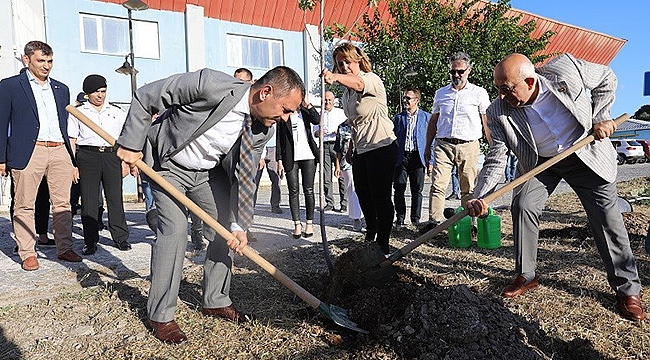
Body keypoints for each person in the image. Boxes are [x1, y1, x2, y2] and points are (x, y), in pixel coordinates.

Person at [116, 66, 305, 344]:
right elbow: (147, 96)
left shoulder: (263, 128)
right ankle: (161, 315)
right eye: (286, 109)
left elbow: (246, 175)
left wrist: (240, 225)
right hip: (168, 164)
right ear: (265, 92)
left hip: (206, 173)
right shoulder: (210, 84)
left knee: (225, 230)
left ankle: (215, 299)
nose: (286, 118)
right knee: (175, 231)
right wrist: (131, 144)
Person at [466, 53, 646, 322]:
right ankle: (526, 274)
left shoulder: (565, 70)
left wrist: (601, 116)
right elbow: (496, 157)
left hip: (585, 153)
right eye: (498, 90)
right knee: (523, 204)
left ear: (529, 81)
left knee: (606, 218)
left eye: (506, 89)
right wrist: (482, 196)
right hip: (540, 162)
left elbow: (607, 78)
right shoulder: (497, 111)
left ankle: (627, 290)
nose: (501, 96)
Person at [0, 40, 82, 271]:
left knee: (63, 203)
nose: (46, 66)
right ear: (27, 60)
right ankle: (27, 252)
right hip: (29, 150)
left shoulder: (61, 89)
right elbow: (1, 122)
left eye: (50, 61)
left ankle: (64, 247)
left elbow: (65, 124)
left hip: (59, 150)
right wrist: (1, 158)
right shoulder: (10, 86)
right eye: (41, 61)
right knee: (25, 204)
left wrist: (71, 158)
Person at [322, 43, 398, 255]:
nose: (344, 66)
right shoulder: (346, 95)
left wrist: (335, 77)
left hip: (382, 145)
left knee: (380, 196)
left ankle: (383, 242)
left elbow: (357, 83)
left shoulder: (371, 79)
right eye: (339, 64)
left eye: (347, 61)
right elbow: (353, 122)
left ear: (358, 60)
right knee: (363, 194)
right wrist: (351, 147)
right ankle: (370, 234)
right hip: (361, 149)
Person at [424, 51, 491, 224]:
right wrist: (427, 146)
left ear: (468, 71)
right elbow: (433, 121)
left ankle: (470, 224)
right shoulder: (441, 93)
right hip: (443, 145)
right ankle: (434, 222)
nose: (456, 75)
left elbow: (487, 121)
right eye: (453, 71)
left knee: (468, 188)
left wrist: (493, 146)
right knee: (438, 185)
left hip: (469, 145)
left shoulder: (479, 93)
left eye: (460, 71)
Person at [68, 74, 131, 255]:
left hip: (112, 156)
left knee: (115, 198)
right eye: (96, 92)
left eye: (103, 91)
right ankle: (90, 241)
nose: (100, 95)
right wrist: (73, 165)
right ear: (87, 93)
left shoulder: (116, 111)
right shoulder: (77, 111)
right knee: (89, 201)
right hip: (87, 156)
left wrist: (125, 162)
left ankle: (120, 237)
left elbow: (125, 138)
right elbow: (72, 139)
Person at [236, 68, 284, 215]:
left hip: (272, 148)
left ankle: (275, 205)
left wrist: (279, 158)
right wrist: (261, 156)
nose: (237, 84)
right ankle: (249, 212)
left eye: (241, 81)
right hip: (256, 150)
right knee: (252, 182)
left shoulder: (268, 104)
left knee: (275, 180)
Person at [276, 97, 319, 238]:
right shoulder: (283, 116)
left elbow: (317, 120)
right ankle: (296, 224)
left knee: (309, 190)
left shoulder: (305, 113)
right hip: (290, 158)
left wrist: (308, 104)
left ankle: (309, 223)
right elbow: (279, 139)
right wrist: (279, 160)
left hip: (308, 156)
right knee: (293, 191)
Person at [392, 88, 431, 227]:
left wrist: (430, 161)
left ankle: (415, 219)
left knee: (417, 190)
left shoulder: (427, 118)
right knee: (399, 189)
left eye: (408, 98)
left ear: (417, 100)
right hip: (401, 157)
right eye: (405, 98)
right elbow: (393, 138)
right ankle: (400, 218)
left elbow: (431, 140)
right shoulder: (398, 118)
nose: (405, 101)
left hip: (417, 157)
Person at [313, 91, 348, 212]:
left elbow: (347, 127)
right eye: (325, 100)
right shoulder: (318, 114)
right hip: (324, 146)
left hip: (338, 145)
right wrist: (319, 132)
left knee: (342, 175)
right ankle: (329, 202)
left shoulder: (340, 113)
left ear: (333, 100)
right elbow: (315, 132)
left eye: (329, 100)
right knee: (325, 176)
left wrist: (339, 133)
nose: (327, 102)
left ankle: (344, 203)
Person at [334, 121, 364, 232]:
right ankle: (356, 218)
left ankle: (367, 216)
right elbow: (338, 148)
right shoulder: (342, 127)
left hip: (363, 159)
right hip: (347, 163)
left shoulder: (364, 122)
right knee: (353, 189)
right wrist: (337, 166)